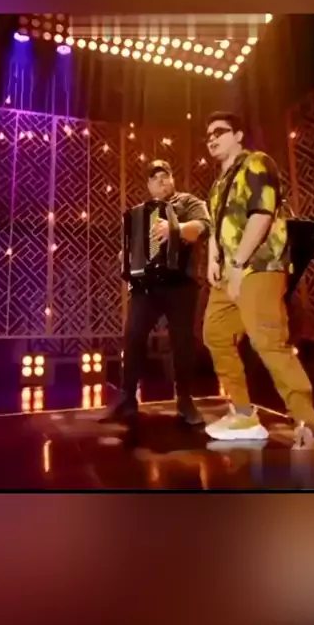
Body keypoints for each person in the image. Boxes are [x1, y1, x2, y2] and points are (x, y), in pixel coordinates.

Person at [201, 111, 314, 447]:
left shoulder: (256, 163)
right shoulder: (217, 185)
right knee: (215, 333)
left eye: (219, 132)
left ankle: (307, 422)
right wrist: (213, 258)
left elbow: (262, 214)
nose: (212, 138)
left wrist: (238, 261)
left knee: (268, 340)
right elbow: (215, 227)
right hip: (229, 272)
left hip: (260, 265)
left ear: (239, 135)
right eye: (208, 135)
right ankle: (243, 413)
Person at [100, 159, 211, 427]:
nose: (160, 180)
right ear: (148, 185)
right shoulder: (142, 212)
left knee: (182, 341)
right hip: (147, 284)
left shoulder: (189, 202)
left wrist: (175, 228)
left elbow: (203, 228)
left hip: (180, 282)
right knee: (133, 334)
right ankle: (127, 398)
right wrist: (128, 255)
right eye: (154, 178)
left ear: (172, 179)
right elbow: (134, 246)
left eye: (164, 175)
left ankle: (184, 399)